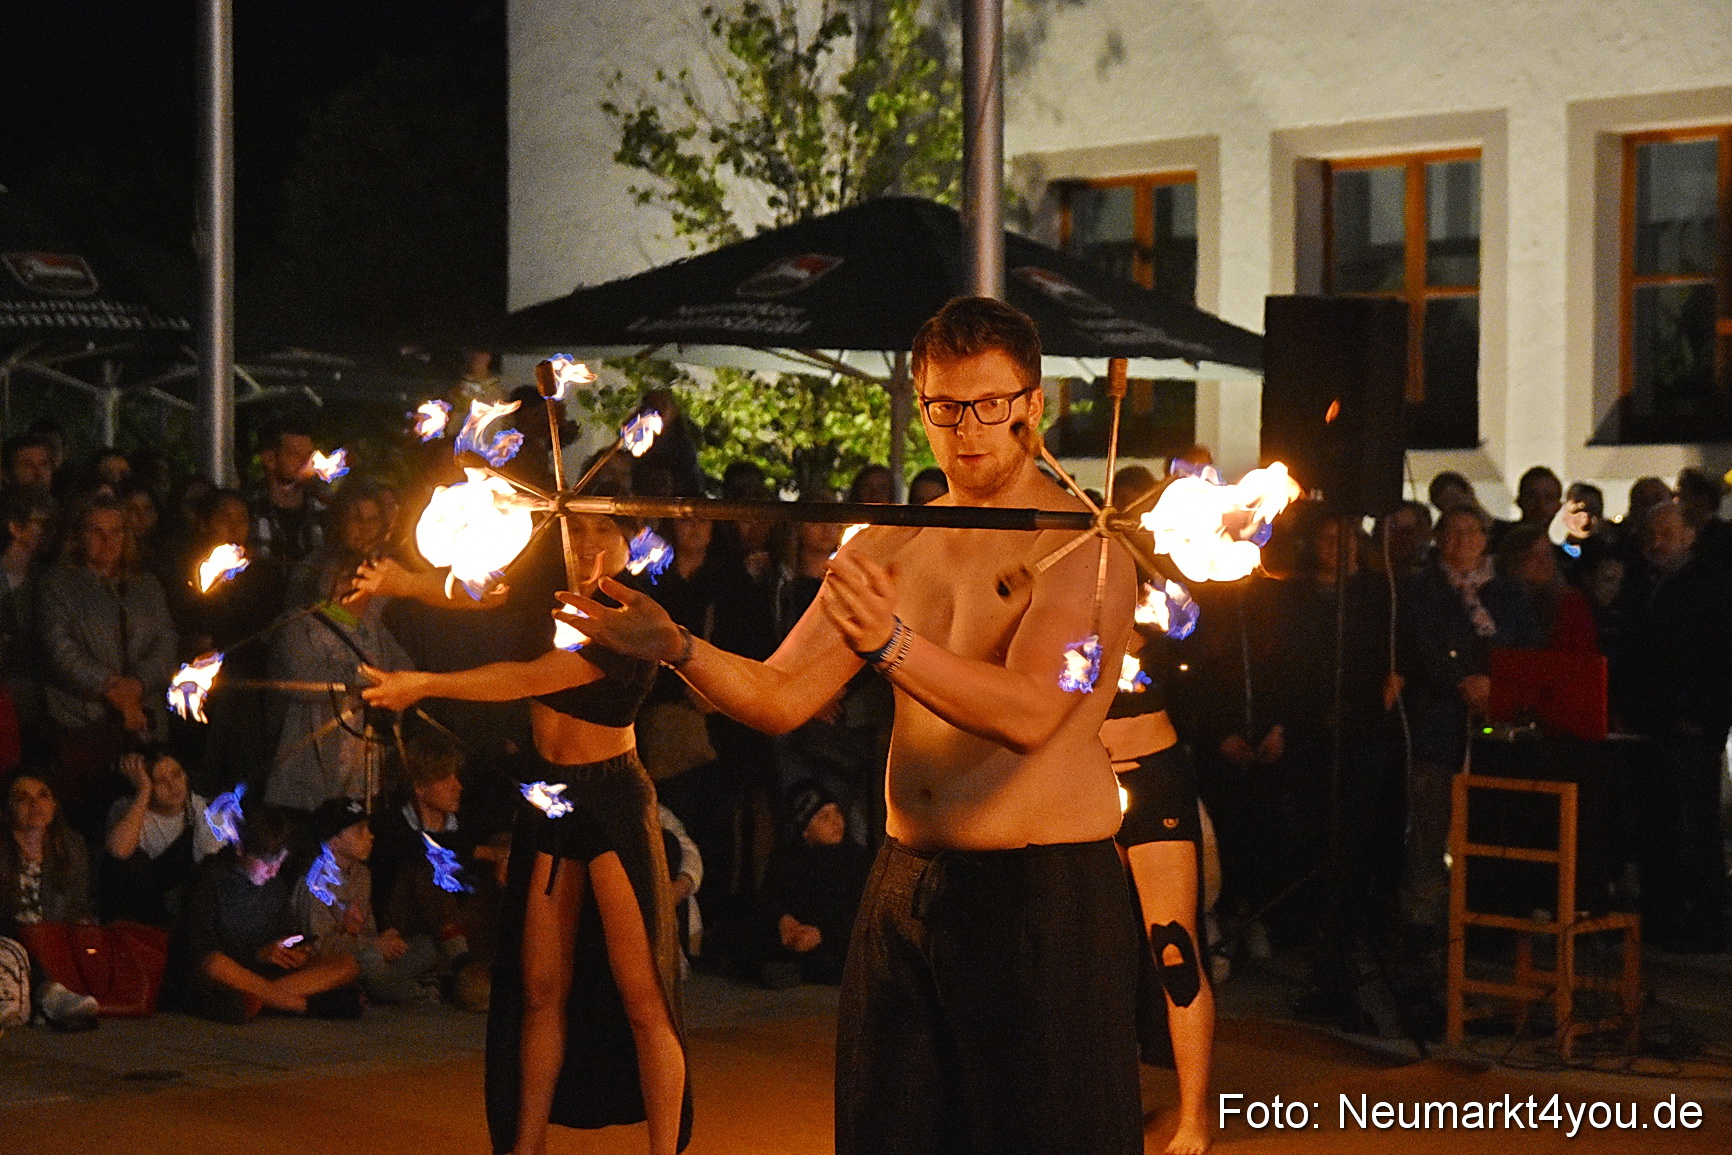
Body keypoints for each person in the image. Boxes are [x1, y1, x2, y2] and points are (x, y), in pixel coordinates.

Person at [557, 297, 1143, 1155]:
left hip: (1040, 893)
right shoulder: (887, 545)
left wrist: (895, 645)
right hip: (905, 881)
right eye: (945, 407)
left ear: (1033, 403)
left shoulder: (1081, 544)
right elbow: (779, 695)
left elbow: (1034, 713)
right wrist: (677, 645)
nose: (968, 429)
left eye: (990, 404)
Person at [361, 509, 692, 1155]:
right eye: (581, 530)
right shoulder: (551, 598)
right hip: (550, 798)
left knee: (642, 990)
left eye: (606, 532)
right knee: (540, 989)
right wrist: (405, 582)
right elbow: (480, 588)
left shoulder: (639, 623)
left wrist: (424, 684)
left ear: (631, 545)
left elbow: (534, 677)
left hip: (613, 800)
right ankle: (525, 1147)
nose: (589, 543)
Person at [1610, 503, 1732, 952]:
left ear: (1688, 536)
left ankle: (1704, 914)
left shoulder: (1709, 586)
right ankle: (1662, 908)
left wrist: (1704, 715)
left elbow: (1719, 658)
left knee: (1692, 819)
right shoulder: (1643, 585)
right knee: (1653, 817)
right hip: (1649, 721)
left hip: (1689, 723)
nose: (1656, 543)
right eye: (1651, 535)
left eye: (1666, 534)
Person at [37, 495, 178, 837]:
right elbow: (59, 649)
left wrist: (139, 685)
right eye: (97, 532)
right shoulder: (58, 584)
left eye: (116, 532)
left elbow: (166, 640)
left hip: (143, 723)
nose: (108, 541)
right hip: (85, 725)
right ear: (79, 535)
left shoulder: (147, 585)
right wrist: (111, 688)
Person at [174, 800, 362, 1022]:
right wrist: (257, 954)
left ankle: (259, 999)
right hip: (227, 972)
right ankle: (302, 1005)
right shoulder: (209, 877)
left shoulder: (275, 885)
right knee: (216, 965)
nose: (273, 871)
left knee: (347, 964)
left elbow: (287, 932)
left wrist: (296, 950)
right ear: (241, 849)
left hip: (261, 975)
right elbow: (202, 951)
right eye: (265, 863)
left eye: (279, 862)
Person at [294, 796, 443, 1004]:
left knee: (426, 947)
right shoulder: (315, 881)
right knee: (370, 961)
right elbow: (319, 944)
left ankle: (394, 985)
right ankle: (416, 992)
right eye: (359, 831)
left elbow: (368, 930)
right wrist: (374, 945)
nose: (370, 836)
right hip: (332, 962)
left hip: (363, 951)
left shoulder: (361, 874)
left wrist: (384, 941)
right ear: (334, 843)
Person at [0, 770, 101, 1029]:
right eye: (22, 798)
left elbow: (76, 903)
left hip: (52, 940)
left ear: (54, 804)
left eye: (42, 796)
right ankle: (47, 995)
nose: (35, 804)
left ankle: (45, 997)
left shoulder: (70, 846)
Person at [753, 781, 870, 989]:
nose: (835, 822)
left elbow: (860, 910)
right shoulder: (787, 859)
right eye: (824, 817)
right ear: (805, 830)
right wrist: (784, 921)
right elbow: (770, 898)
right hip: (800, 935)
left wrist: (822, 933)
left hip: (836, 939)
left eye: (837, 813)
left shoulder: (856, 859)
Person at [102, 748, 220, 924]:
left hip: (178, 910)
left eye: (177, 774)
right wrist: (143, 792)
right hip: (133, 910)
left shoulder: (199, 809)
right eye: (160, 781)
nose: (173, 786)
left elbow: (211, 863)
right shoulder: (128, 808)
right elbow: (119, 851)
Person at [249, 422, 324, 565]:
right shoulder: (247, 511)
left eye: (308, 455)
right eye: (295, 454)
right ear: (270, 459)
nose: (306, 463)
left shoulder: (324, 513)